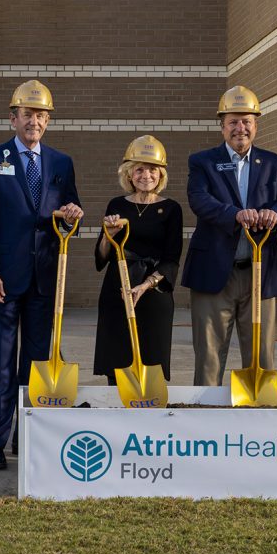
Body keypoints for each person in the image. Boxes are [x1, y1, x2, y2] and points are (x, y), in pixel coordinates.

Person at [0, 80, 83, 471]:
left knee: (36, 362)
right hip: (2, 279)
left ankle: (28, 435)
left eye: (41, 115)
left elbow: (72, 215)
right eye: (27, 114)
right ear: (12, 117)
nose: (34, 121)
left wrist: (73, 218)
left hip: (45, 279)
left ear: (48, 121)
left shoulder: (62, 163)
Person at [181, 85, 277, 387]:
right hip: (214, 272)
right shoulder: (202, 162)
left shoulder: (274, 164)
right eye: (233, 121)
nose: (240, 128)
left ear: (256, 125)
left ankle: (258, 423)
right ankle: (206, 422)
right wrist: (234, 214)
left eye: (246, 121)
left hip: (262, 272)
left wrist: (276, 216)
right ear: (222, 126)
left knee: (261, 358)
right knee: (209, 357)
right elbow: (199, 200)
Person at [93, 135, 184, 385]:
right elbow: (102, 256)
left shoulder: (172, 209)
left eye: (153, 169)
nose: (146, 175)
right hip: (118, 290)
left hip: (154, 292)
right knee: (118, 359)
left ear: (161, 174)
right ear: (129, 174)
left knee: (151, 361)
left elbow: (172, 257)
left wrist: (145, 286)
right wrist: (107, 237)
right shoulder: (116, 204)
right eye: (139, 169)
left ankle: (148, 418)